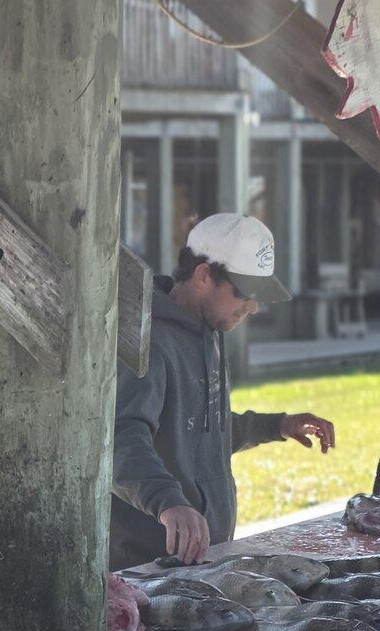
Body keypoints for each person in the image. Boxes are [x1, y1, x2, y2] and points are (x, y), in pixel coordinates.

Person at [110, 213, 336, 570]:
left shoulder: (209, 330)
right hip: (145, 564)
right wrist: (169, 503)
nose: (253, 307)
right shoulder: (148, 340)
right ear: (203, 276)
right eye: (244, 293)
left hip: (203, 556)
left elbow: (194, 427)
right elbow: (120, 435)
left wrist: (276, 425)